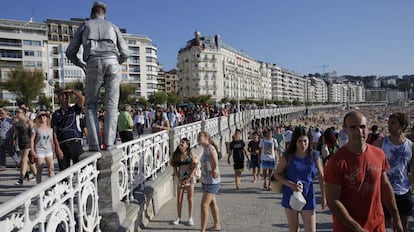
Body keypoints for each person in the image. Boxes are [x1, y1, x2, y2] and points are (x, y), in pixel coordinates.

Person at [66, 1, 129, 151]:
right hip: (112, 62)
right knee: (112, 106)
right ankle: (109, 144)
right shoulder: (112, 26)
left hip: (93, 62)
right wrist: (116, 62)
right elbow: (126, 53)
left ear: (92, 13)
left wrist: (82, 65)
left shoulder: (85, 25)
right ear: (104, 14)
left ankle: (94, 145)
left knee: (91, 105)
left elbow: (70, 52)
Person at [324, 111, 403, 232]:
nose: (359, 131)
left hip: (377, 225)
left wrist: (396, 215)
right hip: (348, 228)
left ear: (368, 128)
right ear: (345, 129)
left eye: (362, 127)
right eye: (353, 127)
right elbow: (333, 201)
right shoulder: (336, 162)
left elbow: (385, 185)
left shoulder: (379, 154)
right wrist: (358, 229)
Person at [274, 127, 326, 232]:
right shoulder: (288, 156)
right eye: (300, 141)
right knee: (294, 229)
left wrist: (324, 197)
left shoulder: (314, 155)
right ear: (295, 141)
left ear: (309, 140)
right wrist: (290, 184)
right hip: (290, 194)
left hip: (308, 195)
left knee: (311, 229)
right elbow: (277, 174)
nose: (303, 144)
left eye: (305, 141)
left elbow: (321, 177)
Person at [373, 113, 414, 232]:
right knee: (383, 225)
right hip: (384, 190)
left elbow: (412, 169)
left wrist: (411, 186)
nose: (389, 126)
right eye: (389, 123)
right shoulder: (381, 143)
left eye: (393, 123)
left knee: (403, 225)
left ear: (402, 126)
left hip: (404, 191)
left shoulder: (410, 146)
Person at [52, 89, 85, 171]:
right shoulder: (56, 114)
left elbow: (82, 99)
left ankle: (79, 183)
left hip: (75, 142)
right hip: (63, 145)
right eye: (62, 97)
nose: (65, 99)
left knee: (79, 169)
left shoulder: (74, 109)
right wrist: (57, 148)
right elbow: (54, 133)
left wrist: (73, 91)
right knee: (64, 171)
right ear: (59, 99)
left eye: (67, 97)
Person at [198, 131, 221, 232]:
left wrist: (214, 170)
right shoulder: (205, 148)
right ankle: (217, 225)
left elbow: (215, 161)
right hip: (206, 180)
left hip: (212, 181)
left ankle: (202, 230)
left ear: (206, 137)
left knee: (204, 205)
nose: (198, 138)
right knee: (212, 203)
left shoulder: (210, 148)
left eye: (200, 136)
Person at [170, 138, 197, 226]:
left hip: (189, 176)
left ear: (187, 145)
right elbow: (174, 167)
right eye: (180, 142)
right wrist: (179, 178)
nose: (181, 143)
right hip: (180, 176)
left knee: (190, 198)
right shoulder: (176, 154)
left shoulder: (190, 153)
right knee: (179, 199)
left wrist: (189, 178)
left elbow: (195, 166)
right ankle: (179, 217)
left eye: (183, 142)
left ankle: (190, 217)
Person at [14, 108, 37, 185]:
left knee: (23, 160)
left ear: (23, 113)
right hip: (21, 143)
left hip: (28, 142)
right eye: (16, 112)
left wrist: (32, 144)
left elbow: (33, 133)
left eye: (18, 112)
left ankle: (21, 179)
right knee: (30, 162)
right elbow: (16, 134)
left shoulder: (28, 121)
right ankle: (37, 176)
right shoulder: (17, 123)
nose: (17, 114)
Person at [30, 112, 54, 183]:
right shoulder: (36, 127)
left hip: (49, 150)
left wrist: (54, 150)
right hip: (39, 150)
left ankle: (52, 185)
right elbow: (32, 139)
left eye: (44, 116)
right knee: (40, 169)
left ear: (47, 118)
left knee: (51, 168)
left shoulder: (50, 127)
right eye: (40, 116)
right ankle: (39, 186)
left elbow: (51, 140)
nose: (42, 117)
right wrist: (32, 150)